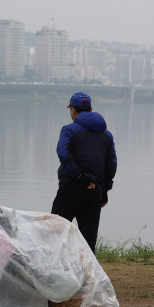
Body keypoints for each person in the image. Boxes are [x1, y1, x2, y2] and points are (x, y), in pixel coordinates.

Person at [51, 92, 117, 253]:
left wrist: (79, 176)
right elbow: (111, 165)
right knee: (88, 239)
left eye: (71, 110)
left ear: (73, 110)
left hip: (71, 188)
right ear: (91, 109)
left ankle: (55, 272)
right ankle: (89, 276)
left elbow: (63, 153)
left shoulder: (69, 130)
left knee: (56, 232)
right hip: (95, 190)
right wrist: (104, 190)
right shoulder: (106, 135)